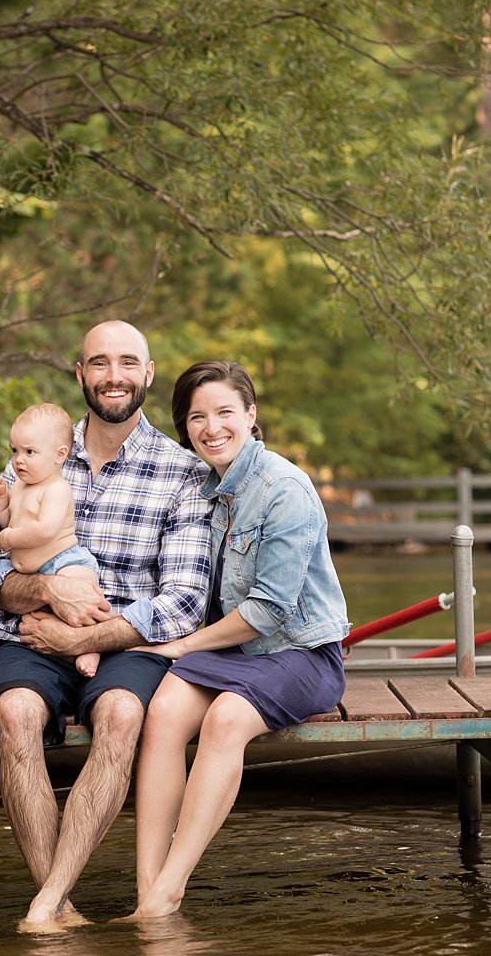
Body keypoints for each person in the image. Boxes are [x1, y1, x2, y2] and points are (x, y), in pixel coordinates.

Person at [0, 320, 213, 928]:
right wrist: (50, 592)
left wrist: (81, 636)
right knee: (15, 713)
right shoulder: (32, 457)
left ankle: (45, 902)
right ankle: (61, 904)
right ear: (80, 373)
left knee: (122, 714)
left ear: (148, 374)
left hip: (125, 640)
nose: (115, 375)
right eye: (100, 363)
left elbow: (184, 602)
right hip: (31, 634)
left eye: (128, 362)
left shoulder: (182, 473)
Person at [127, 360, 350, 920]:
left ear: (250, 415)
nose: (211, 427)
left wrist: (181, 646)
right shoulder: (202, 484)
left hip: (300, 652)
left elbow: (269, 611)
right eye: (197, 417)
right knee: (166, 710)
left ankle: (171, 887)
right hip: (233, 652)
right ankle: (146, 888)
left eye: (225, 412)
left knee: (226, 718)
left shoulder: (284, 489)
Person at [0, 403, 103, 678]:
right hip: (27, 571)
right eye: (14, 451)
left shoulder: (56, 489)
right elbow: (7, 520)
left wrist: (10, 538)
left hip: (62, 560)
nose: (18, 460)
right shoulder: (20, 485)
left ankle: (90, 644)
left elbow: (45, 530)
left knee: (83, 589)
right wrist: (0, 497)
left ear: (59, 455)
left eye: (29, 452)